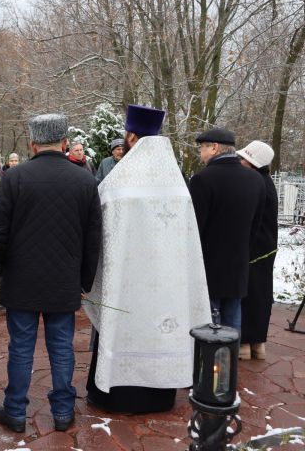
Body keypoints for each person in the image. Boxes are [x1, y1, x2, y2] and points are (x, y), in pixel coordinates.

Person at [83, 104, 212, 415]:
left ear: (130, 136)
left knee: (121, 324)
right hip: (168, 282)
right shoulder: (178, 183)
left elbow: (98, 230)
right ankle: (160, 396)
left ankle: (114, 396)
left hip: (126, 281)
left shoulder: (117, 182)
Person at [0, 115, 101, 433]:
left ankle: (14, 410)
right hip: (64, 280)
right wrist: (84, 280)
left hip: (22, 280)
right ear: (65, 143)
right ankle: (64, 412)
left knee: (21, 347)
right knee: (62, 346)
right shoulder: (84, 181)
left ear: (33, 144)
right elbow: (94, 238)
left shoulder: (15, 177)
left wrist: (7, 263)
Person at [190, 128, 265, 331]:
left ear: (214, 147)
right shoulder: (256, 180)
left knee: (209, 330)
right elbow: (255, 227)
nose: (200, 153)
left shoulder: (202, 180)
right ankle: (229, 362)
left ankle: (208, 363)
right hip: (238, 266)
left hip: (208, 268)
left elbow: (194, 229)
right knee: (232, 324)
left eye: (202, 148)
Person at [237, 141, 278, 360]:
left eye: (244, 159)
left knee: (249, 293)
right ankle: (257, 343)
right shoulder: (266, 182)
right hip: (267, 247)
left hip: (254, 248)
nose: (240, 162)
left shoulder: (254, 183)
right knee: (261, 293)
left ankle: (245, 343)